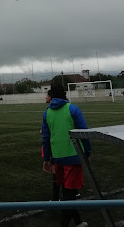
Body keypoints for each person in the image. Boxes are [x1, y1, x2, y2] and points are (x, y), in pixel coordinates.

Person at [42, 84, 91, 227]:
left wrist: (47, 159)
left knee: (67, 192)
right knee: (69, 195)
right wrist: (87, 152)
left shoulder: (47, 113)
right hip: (74, 156)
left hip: (57, 158)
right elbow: (84, 133)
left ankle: (79, 222)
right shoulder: (72, 109)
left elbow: (45, 138)